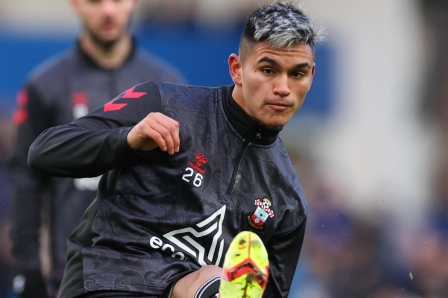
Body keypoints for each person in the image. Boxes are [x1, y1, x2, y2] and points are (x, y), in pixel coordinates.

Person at [27, 1, 324, 298]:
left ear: (311, 76)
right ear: (237, 69)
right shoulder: (165, 104)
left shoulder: (288, 202)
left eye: (296, 74)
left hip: (193, 290)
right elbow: (44, 151)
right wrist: (127, 140)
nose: (283, 87)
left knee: (215, 282)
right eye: (268, 69)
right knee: (210, 279)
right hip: (106, 283)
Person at [8, 0, 184, 297]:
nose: (107, 11)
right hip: (74, 273)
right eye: (95, 1)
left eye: (117, 0)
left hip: (149, 276)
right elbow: (26, 181)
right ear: (76, 4)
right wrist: (28, 267)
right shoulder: (45, 84)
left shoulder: (167, 84)